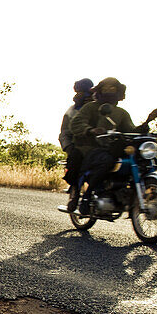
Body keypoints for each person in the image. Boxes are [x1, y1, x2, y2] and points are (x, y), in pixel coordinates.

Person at [68, 77, 157, 214]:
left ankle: (127, 192)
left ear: (119, 92)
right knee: (106, 161)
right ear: (99, 91)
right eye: (106, 89)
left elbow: (130, 131)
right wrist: (90, 130)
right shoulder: (90, 107)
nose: (109, 92)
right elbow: (76, 123)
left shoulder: (121, 113)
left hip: (110, 147)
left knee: (139, 160)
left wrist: (147, 121)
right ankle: (86, 197)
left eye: (113, 89)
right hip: (89, 147)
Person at [56, 78, 94, 213]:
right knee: (77, 160)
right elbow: (64, 132)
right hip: (78, 145)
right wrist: (69, 147)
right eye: (81, 92)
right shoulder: (72, 111)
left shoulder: (99, 107)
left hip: (99, 144)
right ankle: (76, 194)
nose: (84, 96)